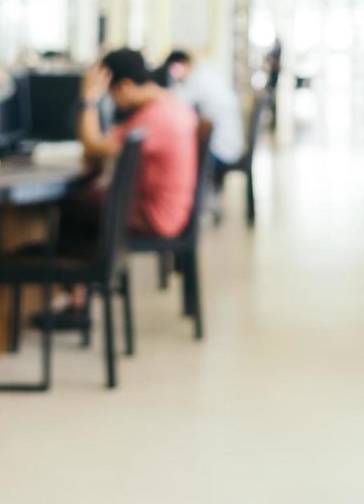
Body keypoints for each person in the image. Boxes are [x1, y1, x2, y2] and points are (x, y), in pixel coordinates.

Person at [39, 49, 198, 325]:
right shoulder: (171, 106)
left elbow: (94, 149)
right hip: (172, 208)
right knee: (88, 201)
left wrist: (89, 100)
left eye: (111, 94)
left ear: (124, 86)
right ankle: (80, 292)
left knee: (73, 203)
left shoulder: (152, 119)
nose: (112, 102)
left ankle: (77, 298)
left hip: (158, 216)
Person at [161, 50, 244, 184]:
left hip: (221, 153)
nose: (174, 74)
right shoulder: (206, 74)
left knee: (175, 156)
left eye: (175, 69)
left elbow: (174, 103)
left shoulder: (196, 81)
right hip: (231, 147)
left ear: (184, 64)